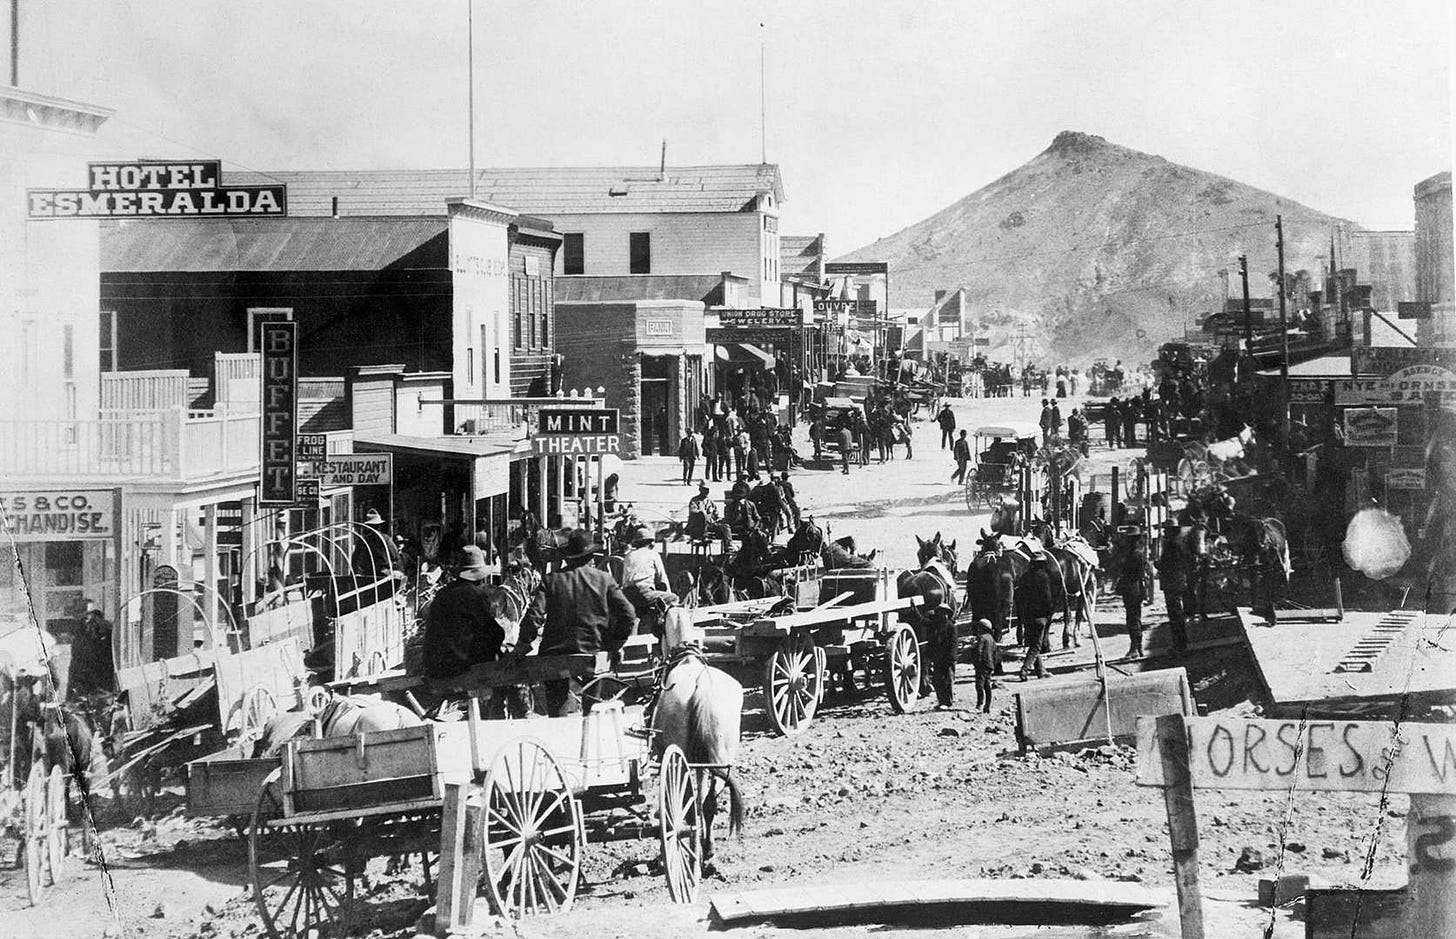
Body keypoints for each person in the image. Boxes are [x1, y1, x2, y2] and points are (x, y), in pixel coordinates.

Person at [520, 529, 637, 715]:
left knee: (557, 710)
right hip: (593, 652)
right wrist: (616, 643)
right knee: (593, 709)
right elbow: (628, 614)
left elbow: (534, 617)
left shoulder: (552, 580)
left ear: (568, 557)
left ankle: (560, 728)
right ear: (591, 556)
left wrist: (522, 645)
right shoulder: (604, 579)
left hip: (555, 655)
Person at [421, 546, 503, 680]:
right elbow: (493, 630)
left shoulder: (443, 593)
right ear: (479, 577)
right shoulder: (475, 595)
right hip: (458, 665)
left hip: (433, 664)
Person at [620, 525, 676, 633]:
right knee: (673, 598)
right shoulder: (653, 555)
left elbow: (624, 580)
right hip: (644, 593)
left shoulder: (629, 555)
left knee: (640, 606)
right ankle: (665, 631)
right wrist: (667, 593)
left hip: (627, 594)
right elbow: (663, 580)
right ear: (650, 542)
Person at [1015, 550, 1055, 680]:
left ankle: (1040, 671)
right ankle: (1024, 670)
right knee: (1036, 646)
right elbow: (1048, 599)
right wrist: (1049, 614)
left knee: (1033, 643)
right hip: (1040, 617)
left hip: (1027, 616)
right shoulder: (1044, 577)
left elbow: (1019, 598)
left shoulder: (1025, 577)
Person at [66, 602, 116, 697]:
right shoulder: (79, 628)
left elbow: (107, 653)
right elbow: (76, 656)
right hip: (81, 675)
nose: (83, 620)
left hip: (99, 674)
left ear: (92, 614)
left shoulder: (104, 628)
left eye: (85, 616)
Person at [1156, 521, 1188, 653]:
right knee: (1177, 614)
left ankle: (1179, 646)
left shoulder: (1172, 545)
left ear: (1171, 531)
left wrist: (1158, 565)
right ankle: (1180, 644)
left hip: (1172, 583)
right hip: (1177, 582)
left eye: (1166, 530)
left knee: (1175, 615)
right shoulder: (1179, 543)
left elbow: (1168, 565)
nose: (1164, 532)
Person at [1117, 533, 1148, 658]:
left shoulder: (1133, 555)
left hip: (1131, 588)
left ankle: (1134, 649)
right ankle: (1138, 648)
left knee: (1132, 619)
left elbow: (1134, 573)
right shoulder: (1139, 553)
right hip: (1137, 588)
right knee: (1136, 618)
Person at [687, 483, 733, 553]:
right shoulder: (694, 500)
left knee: (726, 527)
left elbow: (716, 514)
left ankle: (728, 547)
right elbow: (693, 511)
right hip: (699, 526)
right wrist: (702, 513)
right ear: (700, 489)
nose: (706, 492)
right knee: (702, 517)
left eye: (707, 490)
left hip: (710, 524)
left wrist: (718, 519)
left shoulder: (710, 501)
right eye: (704, 489)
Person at [971, 619, 997, 713]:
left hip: (981, 665)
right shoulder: (991, 639)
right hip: (989, 665)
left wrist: (976, 662)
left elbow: (979, 651)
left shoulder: (981, 638)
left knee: (979, 685)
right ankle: (987, 706)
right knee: (987, 686)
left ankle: (979, 704)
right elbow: (995, 653)